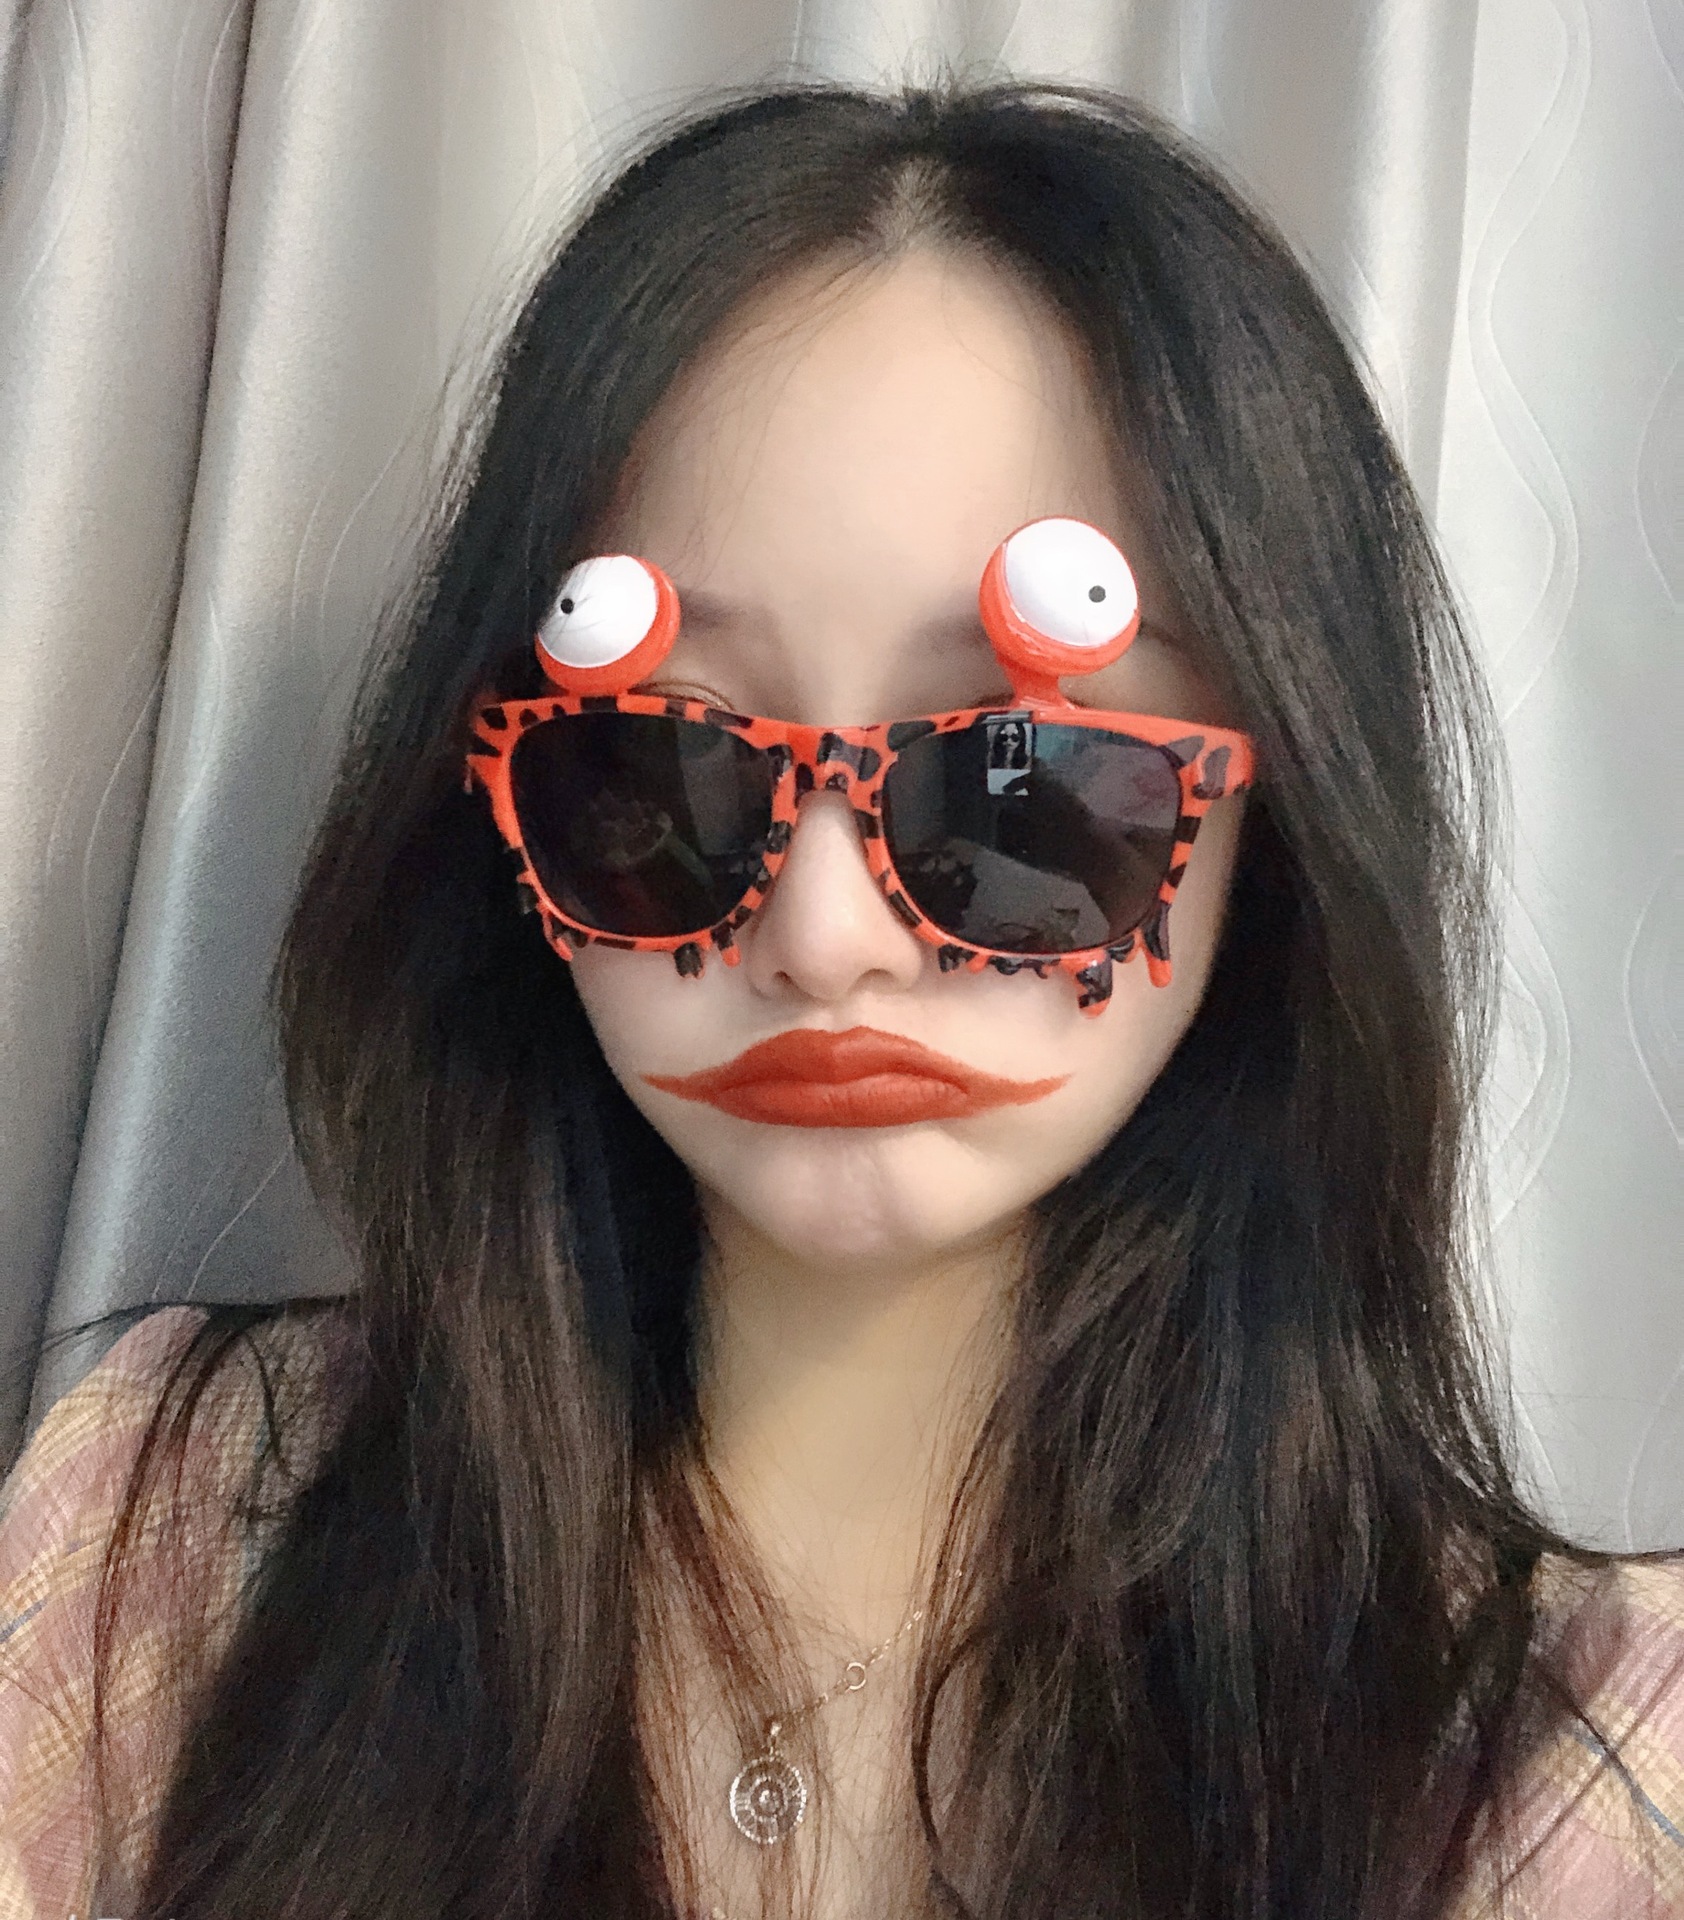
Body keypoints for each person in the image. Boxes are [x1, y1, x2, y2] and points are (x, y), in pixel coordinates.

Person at [0, 81, 1679, 1920]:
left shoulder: (1563, 1771)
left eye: (1021, 790)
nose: (823, 937)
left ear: (1270, 830)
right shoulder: (174, 1548)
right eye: (661, 775)